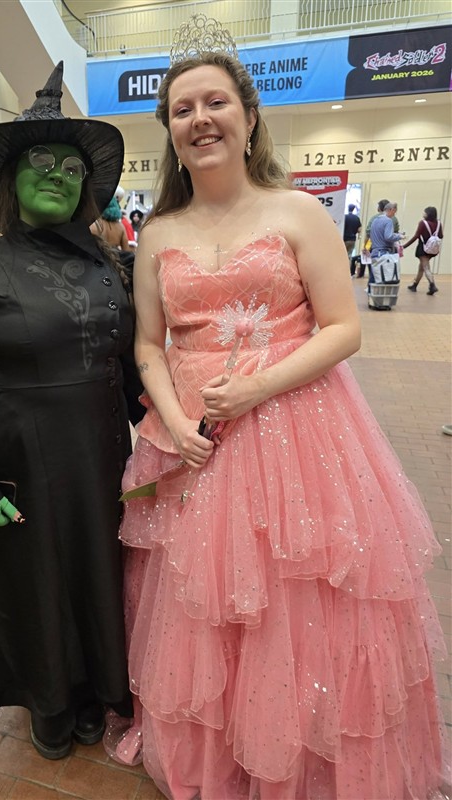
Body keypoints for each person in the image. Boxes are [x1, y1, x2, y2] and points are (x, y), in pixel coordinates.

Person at [107, 18, 448, 800]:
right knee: (202, 604)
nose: (200, 119)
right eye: (183, 109)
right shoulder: (158, 233)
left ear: (249, 116)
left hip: (299, 432)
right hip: (193, 441)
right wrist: (173, 418)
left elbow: (344, 328)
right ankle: (223, 754)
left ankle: (301, 758)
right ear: (170, 130)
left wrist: (258, 386)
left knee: (296, 599)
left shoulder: (296, 212)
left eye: (215, 102)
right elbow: (149, 344)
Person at [0, 62, 144, 760]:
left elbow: (134, 371)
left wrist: (173, 438)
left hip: (101, 454)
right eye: (41, 163)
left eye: (73, 169)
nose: (58, 176)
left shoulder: (111, 266)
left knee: (96, 571)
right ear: (12, 180)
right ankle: (49, 698)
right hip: (15, 456)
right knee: (35, 579)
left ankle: (95, 688)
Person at [404, 206, 443, 295]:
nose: (423, 213)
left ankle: (432, 285)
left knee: (426, 267)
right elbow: (441, 236)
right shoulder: (439, 223)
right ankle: (414, 285)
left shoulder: (423, 223)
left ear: (428, 214)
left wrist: (405, 246)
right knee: (421, 267)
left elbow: (416, 236)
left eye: (424, 212)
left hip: (423, 248)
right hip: (432, 249)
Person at [342, 203, 361, 275]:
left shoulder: (345, 217)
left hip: (344, 239)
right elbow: (359, 230)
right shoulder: (357, 218)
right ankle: (348, 272)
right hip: (352, 240)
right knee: (349, 256)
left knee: (342, 255)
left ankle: (342, 271)